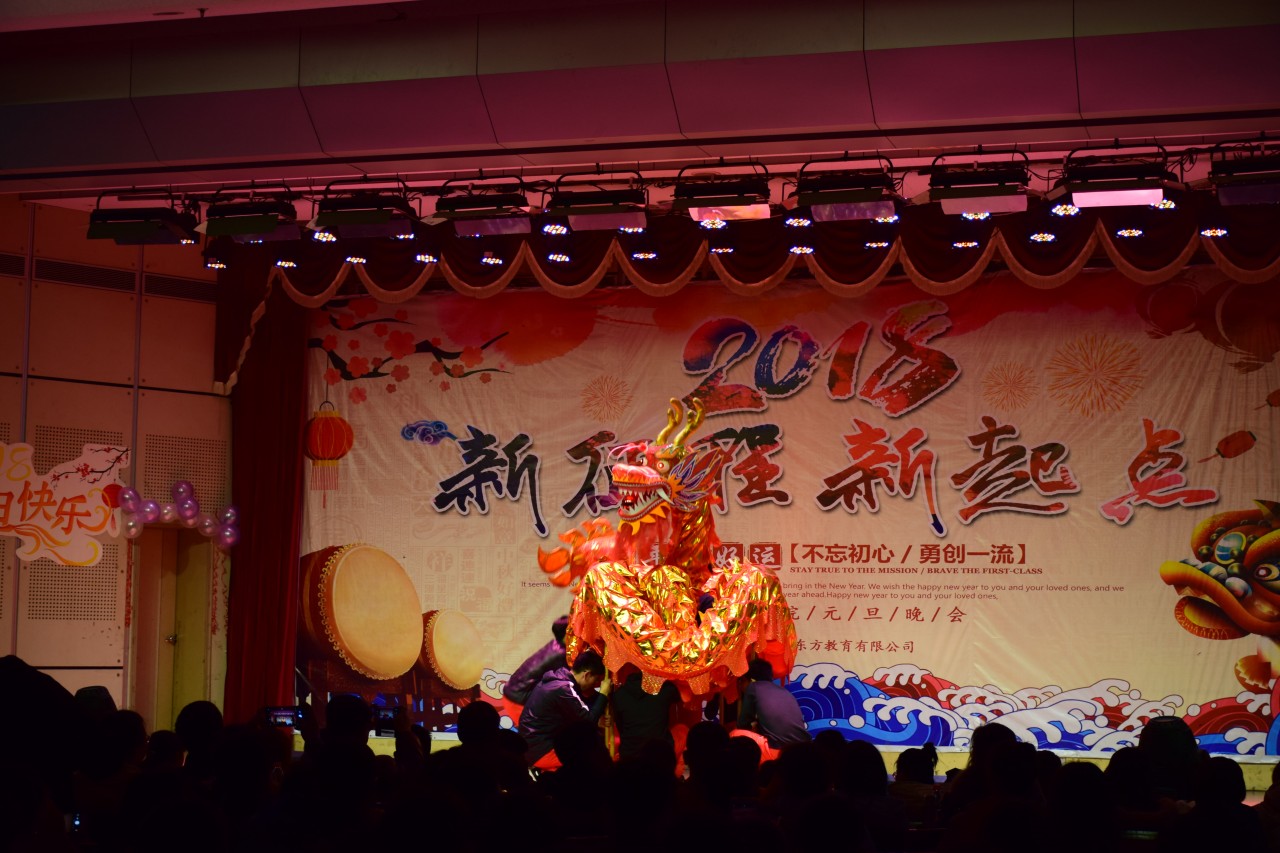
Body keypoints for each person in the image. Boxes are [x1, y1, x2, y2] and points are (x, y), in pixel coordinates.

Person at [517, 649, 611, 768]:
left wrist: (597, 721)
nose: (596, 684)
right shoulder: (564, 688)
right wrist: (603, 693)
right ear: (587, 675)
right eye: (596, 680)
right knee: (589, 763)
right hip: (541, 751)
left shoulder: (558, 680)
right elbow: (588, 722)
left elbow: (576, 717)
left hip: (532, 746)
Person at [737, 658, 810, 760]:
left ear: (751, 679)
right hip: (804, 747)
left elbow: (743, 724)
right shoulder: (783, 691)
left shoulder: (753, 687)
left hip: (779, 750)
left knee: (736, 734)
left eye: (742, 681)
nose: (740, 686)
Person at [610, 666, 681, 761]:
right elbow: (679, 694)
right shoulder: (665, 689)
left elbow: (620, 725)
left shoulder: (619, 695)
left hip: (630, 754)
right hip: (659, 755)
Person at [503, 615, 569, 707]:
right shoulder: (561, 653)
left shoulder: (556, 646)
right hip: (518, 701)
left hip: (514, 695)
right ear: (567, 634)